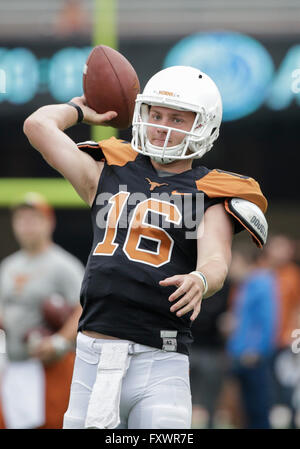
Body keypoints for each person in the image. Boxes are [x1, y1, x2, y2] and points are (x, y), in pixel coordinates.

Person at [23, 65, 268, 429]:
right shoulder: (107, 169)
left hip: (160, 360)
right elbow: (38, 126)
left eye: (177, 118)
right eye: (156, 113)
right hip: (92, 357)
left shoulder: (212, 192)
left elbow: (216, 260)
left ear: (204, 125)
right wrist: (79, 109)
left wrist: (201, 279)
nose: (162, 125)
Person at [0, 192, 85, 429]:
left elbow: (84, 309)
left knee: (53, 424)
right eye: (21, 219)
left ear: (49, 222)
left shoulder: (63, 265)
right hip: (13, 365)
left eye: (33, 218)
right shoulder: (8, 266)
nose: (26, 225)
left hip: (51, 366)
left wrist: (59, 340)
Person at [225, 242, 278, 428]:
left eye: (233, 263)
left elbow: (267, 320)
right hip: (240, 355)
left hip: (252, 357)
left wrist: (256, 349)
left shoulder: (262, 283)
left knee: (258, 409)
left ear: (243, 262)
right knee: (244, 411)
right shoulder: (244, 286)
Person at [260, 235, 300, 428]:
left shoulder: (293, 276)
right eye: (277, 248)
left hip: (287, 343)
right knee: (266, 392)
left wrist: (294, 336)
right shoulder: (260, 274)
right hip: (263, 344)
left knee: (287, 390)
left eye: (285, 248)